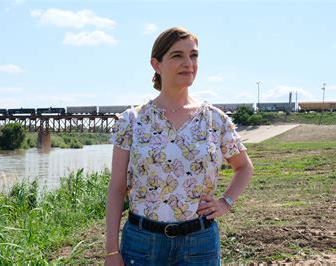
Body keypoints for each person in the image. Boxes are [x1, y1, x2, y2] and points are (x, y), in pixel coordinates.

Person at [104, 27, 254, 265]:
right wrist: (111, 251)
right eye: (177, 55)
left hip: (199, 243)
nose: (188, 63)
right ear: (156, 64)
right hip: (142, 243)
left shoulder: (215, 119)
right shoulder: (132, 121)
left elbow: (244, 167)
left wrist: (226, 202)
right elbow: (116, 189)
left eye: (193, 55)